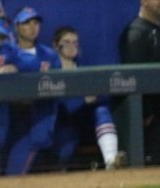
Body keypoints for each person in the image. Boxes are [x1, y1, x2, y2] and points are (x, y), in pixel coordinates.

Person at [52, 26, 124, 170]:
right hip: (62, 124)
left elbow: (101, 97)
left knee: (102, 111)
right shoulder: (51, 70)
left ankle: (111, 161)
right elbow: (59, 107)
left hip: (85, 122)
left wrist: (91, 99)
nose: (72, 46)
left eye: (75, 42)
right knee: (65, 153)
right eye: (66, 42)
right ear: (56, 46)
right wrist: (84, 100)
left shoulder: (83, 69)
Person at [4, 6, 59, 175]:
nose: (33, 27)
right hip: (13, 118)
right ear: (17, 26)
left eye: (36, 22)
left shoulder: (49, 55)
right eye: (27, 22)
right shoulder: (7, 52)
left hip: (41, 117)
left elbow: (60, 85)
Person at [119, 0, 160, 165]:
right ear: (143, 0)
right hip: (149, 116)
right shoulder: (136, 32)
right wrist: (145, 112)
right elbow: (133, 76)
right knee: (150, 165)